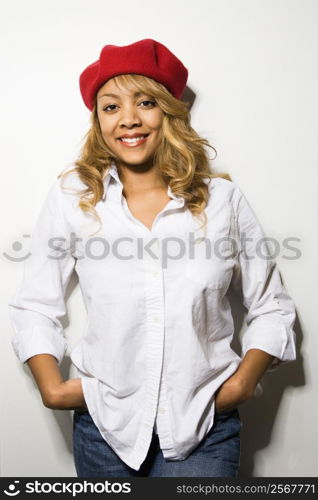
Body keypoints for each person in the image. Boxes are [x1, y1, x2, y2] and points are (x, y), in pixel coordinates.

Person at [8, 38, 297, 478]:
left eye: (145, 102)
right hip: (106, 431)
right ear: (98, 120)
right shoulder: (73, 199)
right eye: (110, 107)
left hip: (204, 430)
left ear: (169, 111)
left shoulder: (223, 201)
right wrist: (52, 388)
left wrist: (240, 384)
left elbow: (271, 307)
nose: (128, 119)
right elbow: (34, 304)